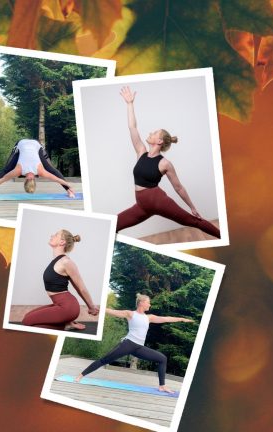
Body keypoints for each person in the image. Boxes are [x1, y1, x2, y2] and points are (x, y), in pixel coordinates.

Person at [115, 86, 221, 238]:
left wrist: (192, 207)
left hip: (159, 202)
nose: (150, 133)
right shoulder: (141, 152)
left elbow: (178, 187)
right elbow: (132, 127)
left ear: (158, 141)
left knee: (193, 221)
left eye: (154, 133)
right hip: (142, 206)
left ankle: (222, 236)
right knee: (114, 224)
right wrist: (130, 104)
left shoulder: (164, 163)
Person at [75, 293, 193, 394]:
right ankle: (81, 375)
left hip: (138, 348)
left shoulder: (149, 317)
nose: (150, 304)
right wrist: (99, 308)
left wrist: (182, 319)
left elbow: (166, 318)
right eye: (148, 302)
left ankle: (162, 386)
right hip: (128, 344)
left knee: (162, 358)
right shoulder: (130, 314)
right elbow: (113, 311)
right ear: (141, 303)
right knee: (104, 360)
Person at [20, 229, 99, 331]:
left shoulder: (66, 262)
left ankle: (64, 325)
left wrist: (91, 307)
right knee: (27, 316)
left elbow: (81, 288)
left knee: (27, 322)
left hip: (67, 307)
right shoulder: (56, 261)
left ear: (62, 242)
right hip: (59, 305)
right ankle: (65, 323)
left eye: (56, 235)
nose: (52, 235)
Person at [0, 139, 76, 200]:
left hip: (26, 143)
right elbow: (56, 179)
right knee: (52, 170)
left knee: (6, 170)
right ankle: (69, 191)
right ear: (32, 179)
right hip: (32, 144)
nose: (30, 176)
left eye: (29, 179)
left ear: (26, 180)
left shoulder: (24, 170)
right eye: (31, 178)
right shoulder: (28, 171)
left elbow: (3, 179)